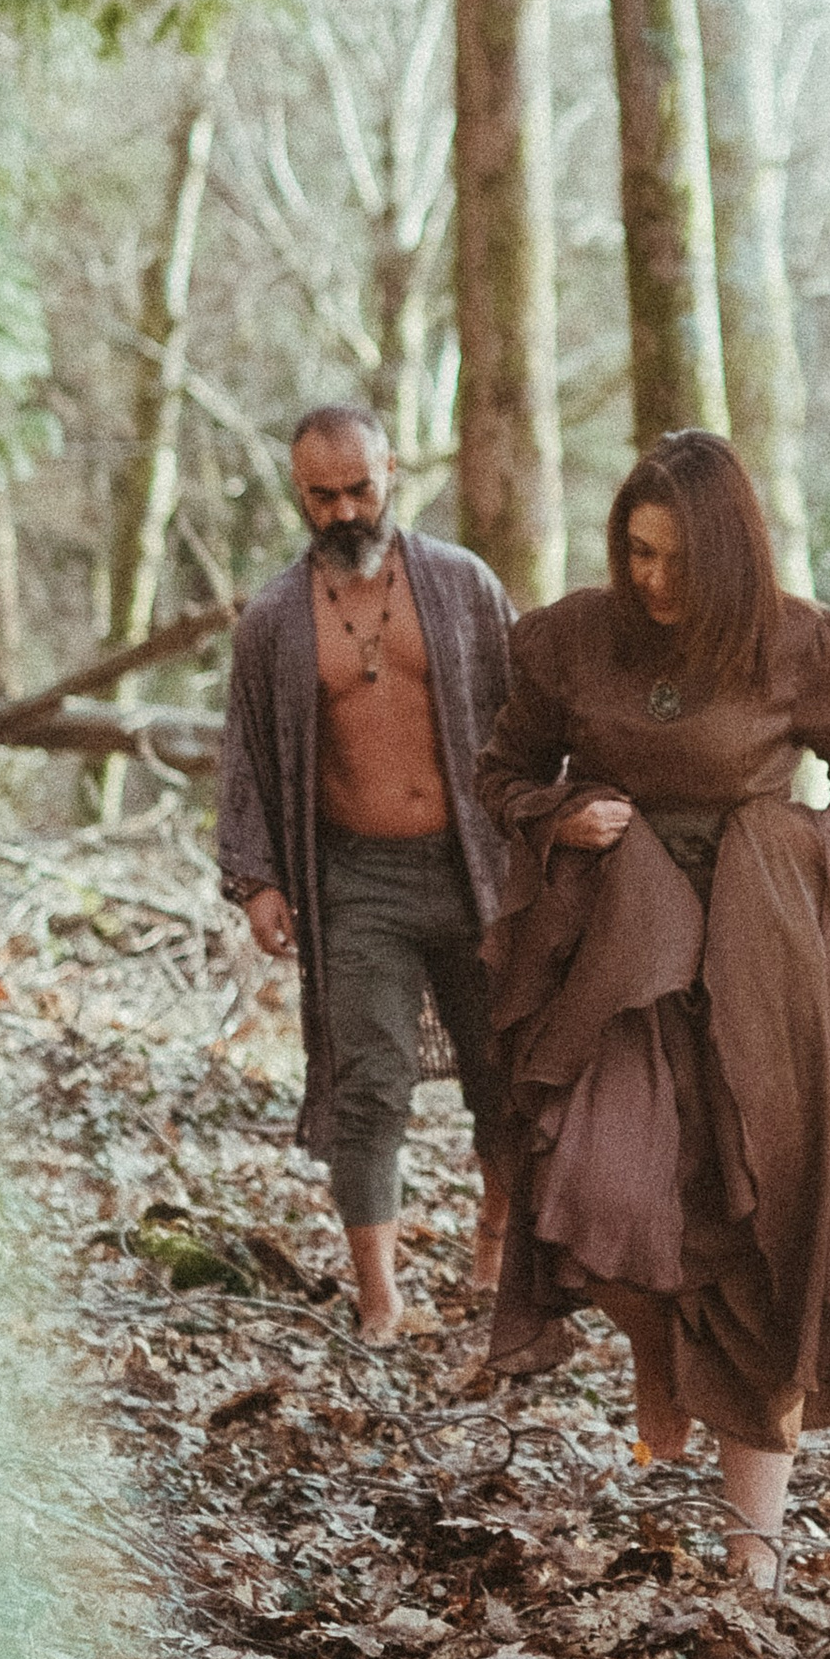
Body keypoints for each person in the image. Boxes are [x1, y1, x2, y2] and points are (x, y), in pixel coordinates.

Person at [476, 429, 830, 1588]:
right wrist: (556, 818)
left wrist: (817, 849)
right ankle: (655, 1349)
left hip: (764, 959)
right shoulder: (572, 638)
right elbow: (503, 767)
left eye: (673, 558)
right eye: (635, 552)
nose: (651, 580)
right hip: (620, 958)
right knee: (589, 1181)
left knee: (765, 1231)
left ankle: (751, 1561)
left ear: (726, 556)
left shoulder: (796, 642)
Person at [217, 404, 515, 1339]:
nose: (345, 510)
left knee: (504, 1069)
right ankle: (380, 1298)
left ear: (392, 469)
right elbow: (248, 758)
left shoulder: (464, 586)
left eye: (360, 488)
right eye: (323, 495)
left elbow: (527, 725)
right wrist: (261, 880)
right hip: (355, 882)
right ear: (298, 492)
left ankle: (498, 1246)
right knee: (369, 1082)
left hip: (474, 867)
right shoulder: (273, 620)